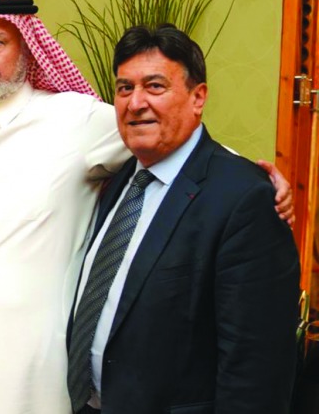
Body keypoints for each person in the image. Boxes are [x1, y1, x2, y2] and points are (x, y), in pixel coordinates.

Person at [0, 0, 295, 413]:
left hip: (23, 365)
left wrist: (262, 180)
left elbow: (171, 142)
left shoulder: (75, 118)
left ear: (29, 48)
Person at [65, 24, 298, 413]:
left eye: (154, 86)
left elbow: (257, 371)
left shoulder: (247, 199)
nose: (135, 103)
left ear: (198, 97)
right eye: (124, 88)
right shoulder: (119, 179)